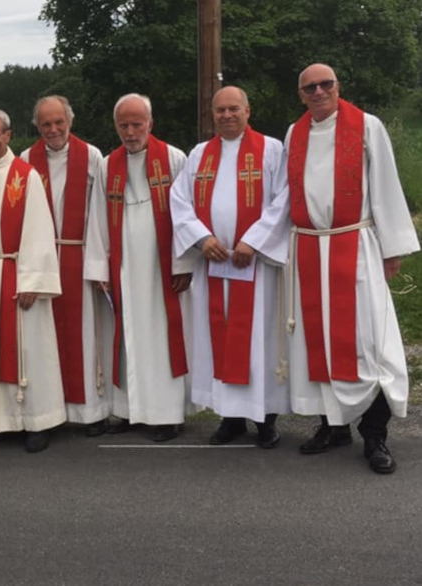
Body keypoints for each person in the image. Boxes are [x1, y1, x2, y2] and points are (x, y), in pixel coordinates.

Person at [286, 64, 420, 474]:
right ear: (302, 94)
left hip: (355, 244)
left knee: (370, 343)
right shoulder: (295, 133)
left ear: (338, 86)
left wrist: (391, 248)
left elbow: (385, 184)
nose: (319, 91)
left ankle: (375, 435)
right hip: (308, 248)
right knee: (318, 341)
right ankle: (332, 426)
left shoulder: (366, 126)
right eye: (310, 87)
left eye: (326, 84)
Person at [170, 86, 291, 448]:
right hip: (216, 264)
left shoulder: (271, 150)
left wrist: (253, 241)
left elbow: (283, 200)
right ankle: (231, 419)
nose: (226, 115)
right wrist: (202, 239)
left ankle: (266, 420)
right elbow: (179, 201)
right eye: (219, 110)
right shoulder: (199, 154)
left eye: (233, 109)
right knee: (219, 341)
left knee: (260, 342)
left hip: (255, 268)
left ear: (248, 110)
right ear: (212, 114)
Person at [84, 93, 193, 442]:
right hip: (124, 265)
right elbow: (97, 218)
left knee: (161, 337)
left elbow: (186, 215)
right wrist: (100, 268)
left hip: (161, 266)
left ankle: (166, 414)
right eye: (123, 125)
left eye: (137, 124)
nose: (130, 132)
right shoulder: (107, 165)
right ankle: (130, 410)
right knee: (127, 336)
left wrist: (182, 262)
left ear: (151, 123)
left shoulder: (174, 158)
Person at [0, 108, 67, 453]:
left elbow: (40, 227)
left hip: (20, 272)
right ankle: (4, 419)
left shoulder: (26, 175)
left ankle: (40, 420)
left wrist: (32, 280)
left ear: (8, 135)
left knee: (31, 349)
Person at [20, 96, 113, 436]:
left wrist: (100, 263)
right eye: (46, 124)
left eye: (59, 122)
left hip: (79, 254)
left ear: (69, 122)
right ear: (37, 126)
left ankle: (91, 411)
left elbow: (101, 212)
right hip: (42, 258)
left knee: (86, 334)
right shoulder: (25, 160)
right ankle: (49, 411)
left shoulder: (91, 157)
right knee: (44, 337)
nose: (53, 129)